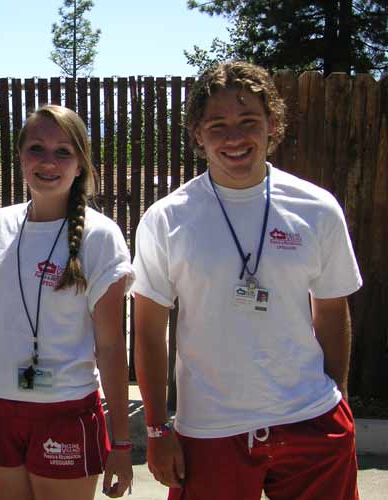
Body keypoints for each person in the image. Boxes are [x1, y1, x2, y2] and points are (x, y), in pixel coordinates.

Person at [131, 61, 361, 500]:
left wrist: (339, 401)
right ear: (198, 133)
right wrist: (158, 428)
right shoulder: (167, 219)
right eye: (217, 125)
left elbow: (331, 309)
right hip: (211, 430)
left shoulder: (316, 208)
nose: (234, 138)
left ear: (273, 125)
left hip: (310, 420)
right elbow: (147, 330)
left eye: (248, 122)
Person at [0, 105, 135, 499]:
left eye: (63, 152)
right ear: (21, 156)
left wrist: (122, 442)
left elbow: (110, 347)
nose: (48, 162)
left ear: (80, 165)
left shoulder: (100, 237)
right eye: (36, 149)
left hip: (64, 411)